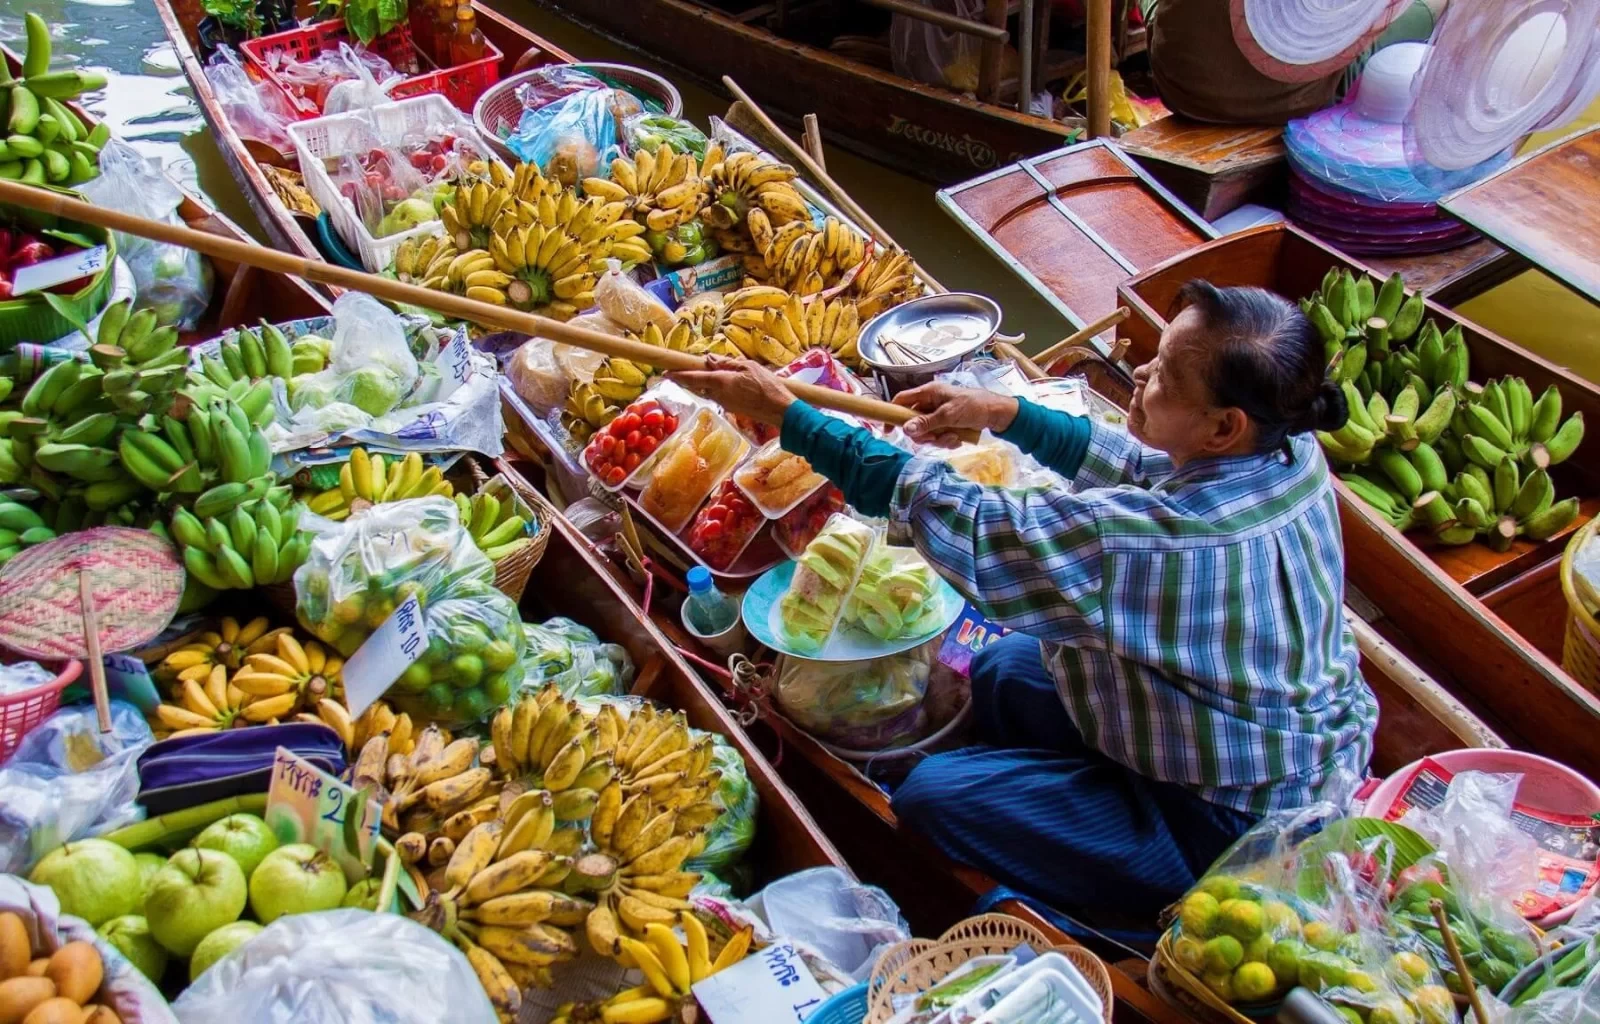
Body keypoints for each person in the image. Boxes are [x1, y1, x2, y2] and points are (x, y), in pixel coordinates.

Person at [670, 281, 1377, 922]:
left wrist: (789, 415)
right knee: (1007, 667)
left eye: (1162, 377)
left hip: (1224, 822)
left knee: (929, 798)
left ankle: (1120, 890)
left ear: (1225, 427)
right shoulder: (1284, 452)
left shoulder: (1164, 544)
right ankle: (1054, 797)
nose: (1139, 376)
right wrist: (1003, 412)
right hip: (1241, 733)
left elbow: (959, 515)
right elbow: (1139, 463)